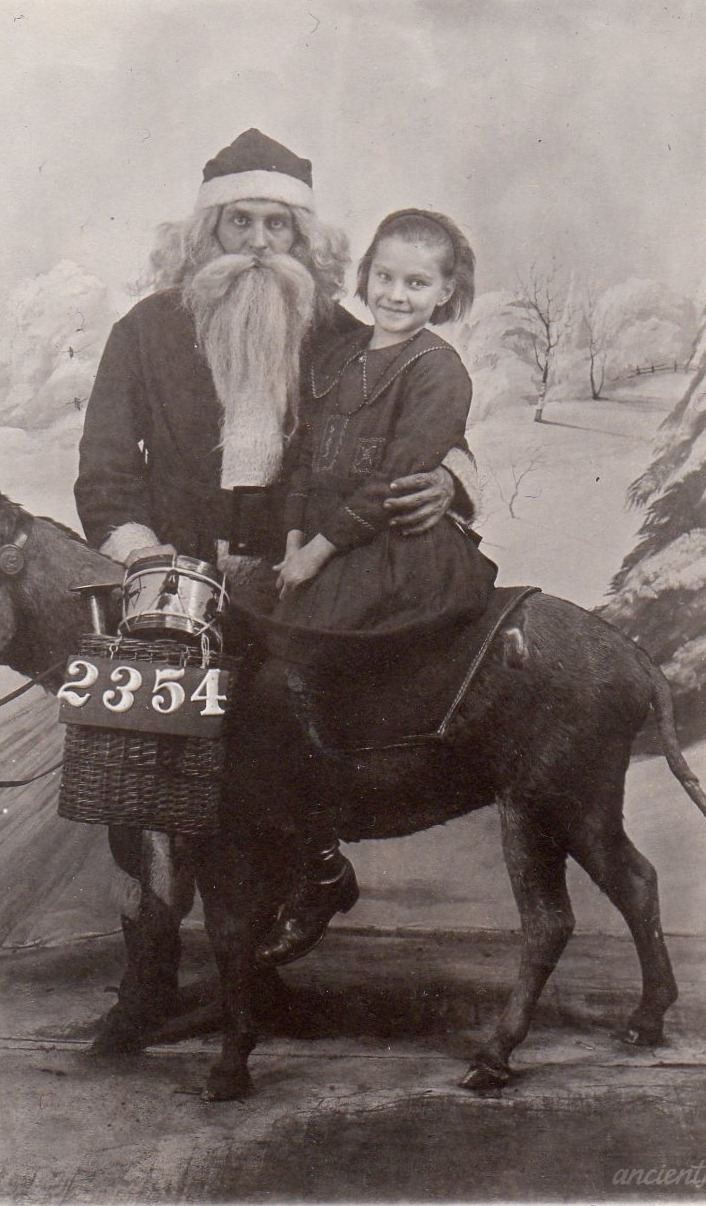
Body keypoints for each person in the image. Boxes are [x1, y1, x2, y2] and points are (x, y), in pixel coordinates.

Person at [74, 130, 467, 1051]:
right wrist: (149, 562)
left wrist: (452, 478)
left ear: (307, 243)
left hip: (300, 580)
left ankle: (266, 960)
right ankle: (149, 987)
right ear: (204, 234)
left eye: (277, 226)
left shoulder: (343, 331)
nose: (257, 242)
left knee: (276, 766)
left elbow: (416, 421)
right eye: (238, 222)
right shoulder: (146, 330)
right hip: (171, 574)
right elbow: (102, 473)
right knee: (145, 782)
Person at [252, 209, 497, 968]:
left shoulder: (436, 369)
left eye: (417, 282)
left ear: (446, 291)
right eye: (385, 276)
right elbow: (300, 461)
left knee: (286, 679)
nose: (396, 294)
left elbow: (397, 480)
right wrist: (294, 535)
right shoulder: (337, 356)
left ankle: (325, 853)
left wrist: (321, 549)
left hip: (395, 554)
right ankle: (305, 852)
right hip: (321, 548)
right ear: (365, 275)